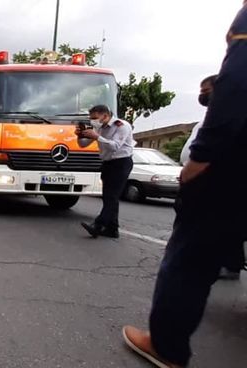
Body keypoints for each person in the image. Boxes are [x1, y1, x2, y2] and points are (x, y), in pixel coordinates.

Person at [122, 5, 247, 367]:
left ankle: (167, 345)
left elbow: (237, 86)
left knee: (189, 261)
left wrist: (197, 162)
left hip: (228, 176)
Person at [181, 74, 244, 281]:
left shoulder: (229, 118)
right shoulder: (206, 119)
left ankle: (229, 264)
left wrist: (191, 172)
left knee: (226, 226)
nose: (202, 96)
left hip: (216, 181)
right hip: (199, 181)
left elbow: (210, 151)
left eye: (206, 91)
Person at [77, 104, 135, 239]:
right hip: (108, 164)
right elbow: (83, 144)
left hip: (121, 163)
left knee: (112, 196)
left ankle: (98, 225)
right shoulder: (99, 128)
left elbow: (115, 146)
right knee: (108, 197)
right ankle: (112, 229)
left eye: (95, 117)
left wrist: (97, 137)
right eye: (91, 118)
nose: (93, 121)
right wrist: (80, 135)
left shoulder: (122, 126)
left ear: (105, 115)